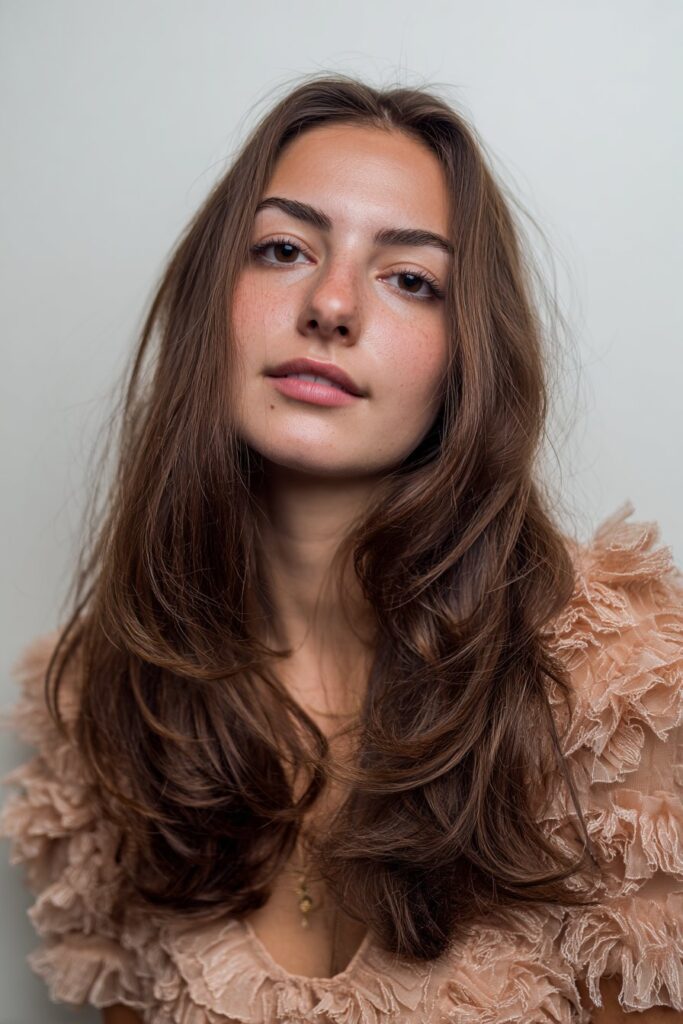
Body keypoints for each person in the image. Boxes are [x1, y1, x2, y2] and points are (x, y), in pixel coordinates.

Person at [1, 72, 682, 1024]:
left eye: (409, 278)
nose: (330, 304)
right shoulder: (106, 711)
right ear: (211, 305)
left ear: (467, 359)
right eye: (283, 249)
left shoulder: (612, 686)